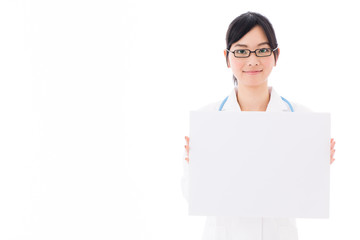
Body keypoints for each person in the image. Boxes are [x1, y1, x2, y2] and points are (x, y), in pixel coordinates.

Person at [182, 12, 336, 240]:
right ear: (227, 57)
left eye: (263, 50)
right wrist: (195, 166)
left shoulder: (303, 121)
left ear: (276, 55)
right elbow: (193, 195)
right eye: (241, 51)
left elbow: (307, 195)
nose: (252, 60)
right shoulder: (208, 119)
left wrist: (318, 165)